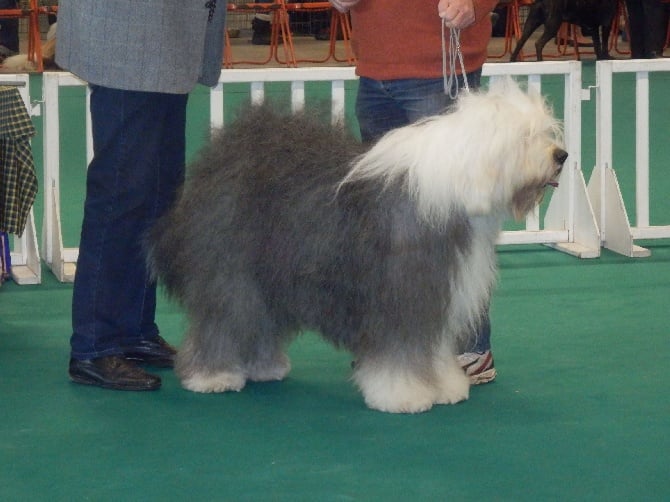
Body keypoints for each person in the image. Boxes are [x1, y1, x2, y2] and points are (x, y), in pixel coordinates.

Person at [56, 0, 227, 391]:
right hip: (127, 42)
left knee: (158, 195)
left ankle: (132, 332)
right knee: (121, 192)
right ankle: (94, 345)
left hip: (165, 45)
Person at [330, 0, 498, 384]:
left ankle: (468, 345)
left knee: (455, 219)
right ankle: (395, 344)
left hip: (441, 73)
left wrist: (476, 4)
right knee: (382, 227)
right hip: (374, 75)